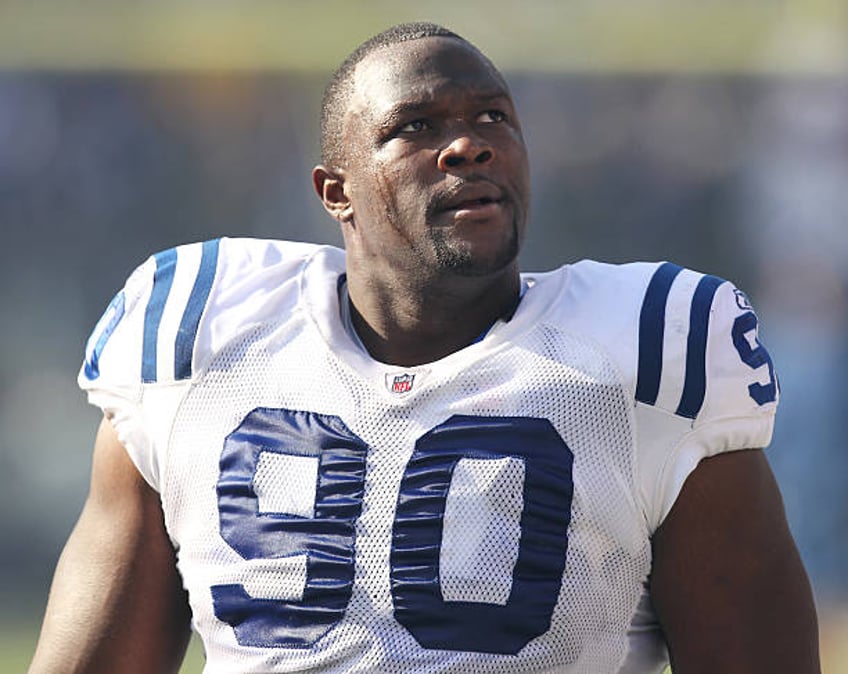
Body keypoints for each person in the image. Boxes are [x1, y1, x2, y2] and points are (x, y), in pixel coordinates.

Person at [29, 22, 820, 674]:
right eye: (417, 127)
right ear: (334, 191)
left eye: (494, 118)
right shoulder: (199, 333)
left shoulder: (646, 352)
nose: (469, 146)